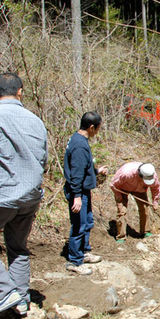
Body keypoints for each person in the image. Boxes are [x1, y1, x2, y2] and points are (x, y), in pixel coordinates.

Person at [0, 72, 48, 317]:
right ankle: (21, 300)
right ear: (20, 92)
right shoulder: (36, 121)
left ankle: (5, 292)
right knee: (18, 247)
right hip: (31, 196)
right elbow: (42, 160)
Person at [63, 111, 108, 275]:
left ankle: (84, 252)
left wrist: (96, 171)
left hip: (83, 190)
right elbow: (76, 172)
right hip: (78, 192)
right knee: (79, 225)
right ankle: (74, 261)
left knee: (87, 222)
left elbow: (83, 167)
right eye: (98, 128)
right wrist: (76, 196)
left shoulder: (78, 140)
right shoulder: (80, 145)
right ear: (91, 127)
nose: (97, 132)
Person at [110, 162, 160, 243]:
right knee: (122, 211)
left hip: (140, 190)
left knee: (144, 208)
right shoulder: (126, 173)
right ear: (140, 175)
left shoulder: (152, 175)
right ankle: (121, 237)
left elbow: (156, 188)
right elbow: (113, 185)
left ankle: (145, 231)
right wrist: (118, 196)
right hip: (122, 189)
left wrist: (155, 201)